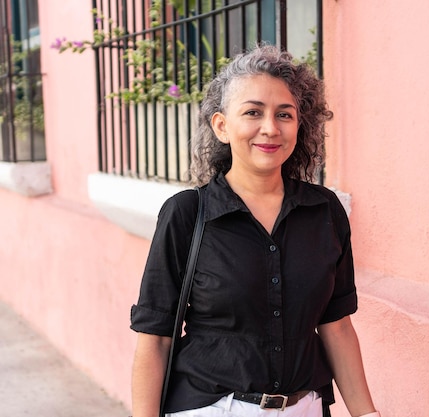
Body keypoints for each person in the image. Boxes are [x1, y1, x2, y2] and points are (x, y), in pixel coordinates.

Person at [130, 44, 380, 417]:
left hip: (305, 407)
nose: (270, 128)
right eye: (253, 112)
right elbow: (156, 340)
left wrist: (367, 414)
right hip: (211, 408)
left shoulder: (324, 211)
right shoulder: (187, 214)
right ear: (222, 126)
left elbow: (336, 326)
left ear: (300, 125)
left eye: (285, 114)